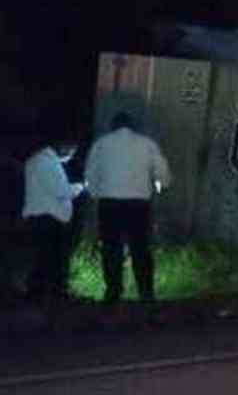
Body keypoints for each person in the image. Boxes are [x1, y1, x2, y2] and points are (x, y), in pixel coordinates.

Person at [84, 113, 171, 304]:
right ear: (133, 126)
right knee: (140, 248)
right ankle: (146, 293)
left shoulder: (101, 144)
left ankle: (113, 292)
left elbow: (90, 175)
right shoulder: (147, 144)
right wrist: (159, 185)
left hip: (110, 203)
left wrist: (96, 194)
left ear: (113, 126)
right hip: (138, 204)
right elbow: (163, 174)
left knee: (111, 248)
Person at [22, 135, 85, 303]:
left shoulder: (42, 161)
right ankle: (51, 292)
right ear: (62, 147)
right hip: (47, 218)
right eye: (71, 151)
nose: (71, 155)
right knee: (53, 257)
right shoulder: (45, 162)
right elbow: (61, 191)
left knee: (46, 257)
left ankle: (40, 292)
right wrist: (79, 187)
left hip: (43, 217)